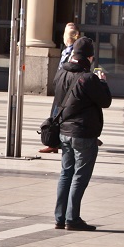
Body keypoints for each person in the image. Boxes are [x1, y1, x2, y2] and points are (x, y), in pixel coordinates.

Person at [52, 36, 111, 231]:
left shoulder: (60, 73)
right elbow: (105, 101)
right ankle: (72, 218)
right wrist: (102, 82)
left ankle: (60, 217)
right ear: (89, 57)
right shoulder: (88, 78)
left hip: (64, 131)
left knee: (66, 173)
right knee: (80, 175)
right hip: (83, 133)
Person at [38, 22, 80, 154]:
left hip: (66, 89)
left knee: (58, 116)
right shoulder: (65, 50)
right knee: (56, 115)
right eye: (67, 33)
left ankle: (54, 143)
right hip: (60, 87)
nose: (67, 36)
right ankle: (54, 142)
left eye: (70, 33)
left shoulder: (74, 52)